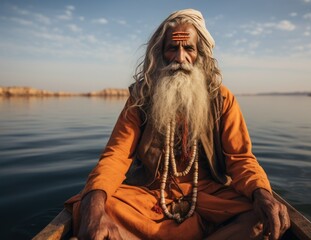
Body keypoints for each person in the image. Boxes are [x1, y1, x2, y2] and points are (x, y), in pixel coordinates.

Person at [65, 9, 290, 240]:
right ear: (161, 53)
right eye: (173, 48)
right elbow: (117, 155)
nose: (180, 58)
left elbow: (241, 158)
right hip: (152, 194)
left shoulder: (222, 99)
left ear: (199, 53)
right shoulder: (141, 97)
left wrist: (262, 194)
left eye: (188, 48)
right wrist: (94, 209)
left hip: (208, 195)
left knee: (262, 216)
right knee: (92, 207)